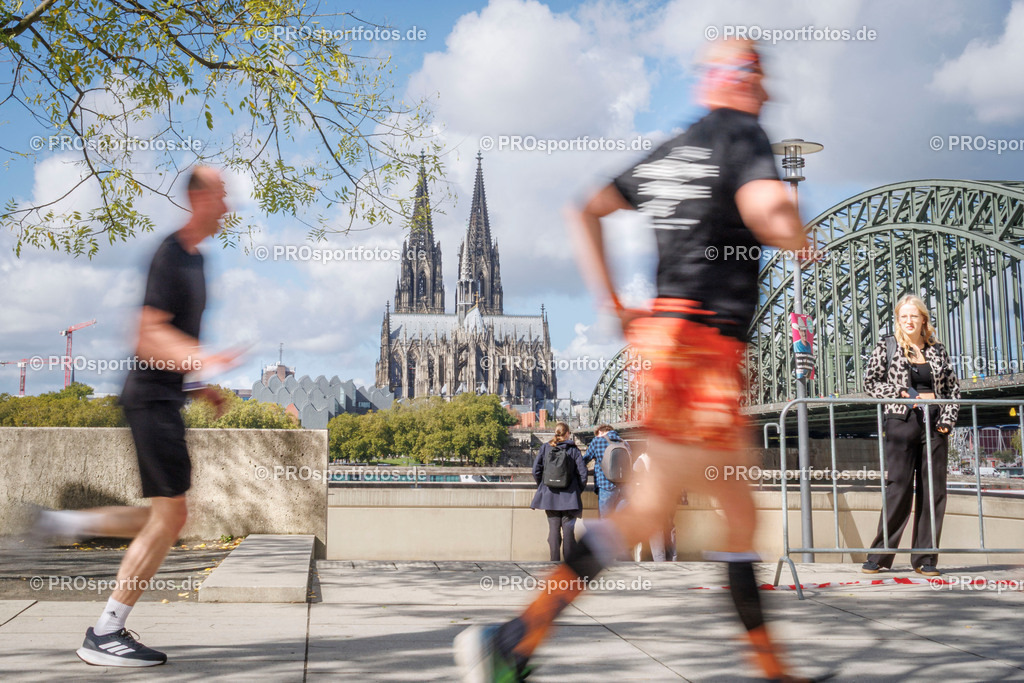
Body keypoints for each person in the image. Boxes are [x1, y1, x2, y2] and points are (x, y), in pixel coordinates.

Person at [455, 39, 828, 682]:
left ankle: (516, 641)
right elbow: (767, 210)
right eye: (759, 77)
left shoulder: (674, 148)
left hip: (663, 350)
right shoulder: (742, 135)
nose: (767, 91)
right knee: (736, 519)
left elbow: (588, 207)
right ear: (737, 81)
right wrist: (795, 231)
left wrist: (617, 306)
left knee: (645, 517)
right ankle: (515, 640)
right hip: (707, 352)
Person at [32, 167, 239, 667]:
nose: (228, 203)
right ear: (199, 198)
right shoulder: (171, 254)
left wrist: (201, 385)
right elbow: (147, 333)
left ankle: (69, 523)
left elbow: (173, 334)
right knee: (172, 515)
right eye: (221, 193)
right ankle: (105, 632)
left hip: (162, 397)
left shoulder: (197, 261)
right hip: (150, 398)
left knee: (167, 516)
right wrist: (201, 361)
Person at [862, 294, 960, 577]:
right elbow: (870, 382)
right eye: (903, 316)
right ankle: (880, 555)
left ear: (923, 319)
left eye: (914, 316)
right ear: (897, 319)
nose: (908, 321)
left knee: (934, 492)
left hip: (934, 424)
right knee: (899, 488)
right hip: (901, 422)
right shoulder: (887, 346)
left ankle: (926, 559)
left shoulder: (937, 350)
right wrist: (901, 393)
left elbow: (953, 389)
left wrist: (947, 419)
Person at [530, 422, 588, 562]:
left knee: (553, 531)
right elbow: (583, 474)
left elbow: (535, 471)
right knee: (568, 533)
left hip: (549, 497)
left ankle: (554, 561)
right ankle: (568, 564)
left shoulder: (546, 447)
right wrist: (576, 490)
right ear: (567, 433)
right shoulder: (573, 450)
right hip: (569, 499)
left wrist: (544, 486)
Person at [632, 452, 677, 562]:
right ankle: (673, 558)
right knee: (670, 528)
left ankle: (659, 560)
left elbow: (635, 468)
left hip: (656, 496)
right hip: (671, 496)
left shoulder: (646, 456)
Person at [583, 424, 631, 517]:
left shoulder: (597, 441)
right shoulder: (625, 443)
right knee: (620, 522)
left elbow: (585, 459)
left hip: (606, 486)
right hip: (624, 488)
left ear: (600, 432)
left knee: (605, 523)